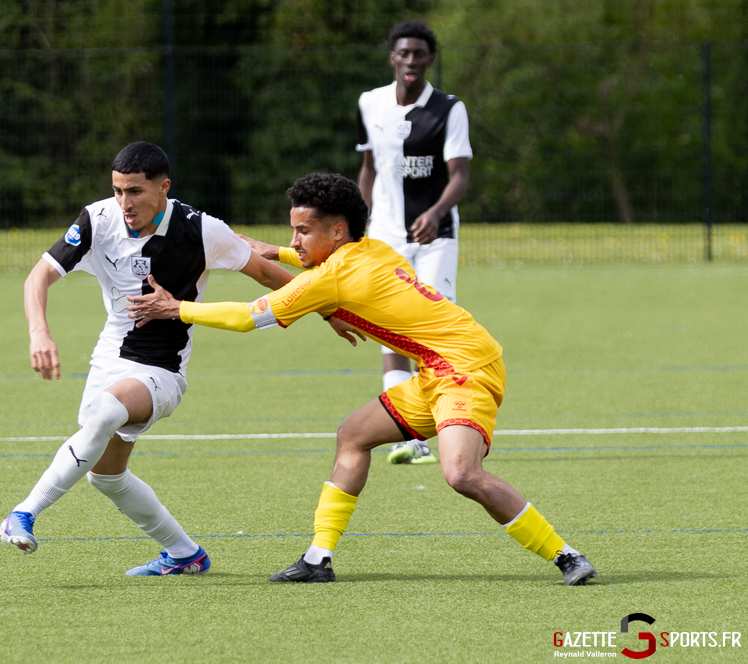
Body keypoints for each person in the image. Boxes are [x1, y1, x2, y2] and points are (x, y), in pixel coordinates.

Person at [127, 172, 596, 586]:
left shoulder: (329, 280)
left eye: (303, 231)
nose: (296, 239)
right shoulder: (372, 249)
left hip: (464, 369)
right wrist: (279, 250)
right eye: (294, 230)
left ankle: (565, 554)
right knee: (353, 435)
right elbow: (322, 267)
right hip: (439, 368)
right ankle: (318, 558)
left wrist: (176, 308)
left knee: (461, 474)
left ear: (337, 230)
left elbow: (249, 317)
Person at [0, 141, 294, 576]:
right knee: (106, 475)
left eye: (135, 191)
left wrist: (327, 309)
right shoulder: (98, 220)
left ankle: (23, 512)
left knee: (106, 412)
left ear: (163, 187)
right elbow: (38, 276)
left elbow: (269, 274)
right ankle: (185, 555)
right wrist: (39, 332)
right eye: (118, 190)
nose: (124, 202)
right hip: (109, 357)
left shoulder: (199, 230)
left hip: (162, 371)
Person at [359, 20, 472, 465]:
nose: (410, 61)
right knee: (392, 327)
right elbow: (368, 168)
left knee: (434, 329)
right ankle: (410, 435)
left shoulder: (449, 109)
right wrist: (357, 223)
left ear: (430, 59)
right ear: (392, 57)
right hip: (385, 237)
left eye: (419, 54)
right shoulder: (370, 104)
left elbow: (460, 174)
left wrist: (436, 212)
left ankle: (453, 421)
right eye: (403, 53)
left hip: (435, 239)